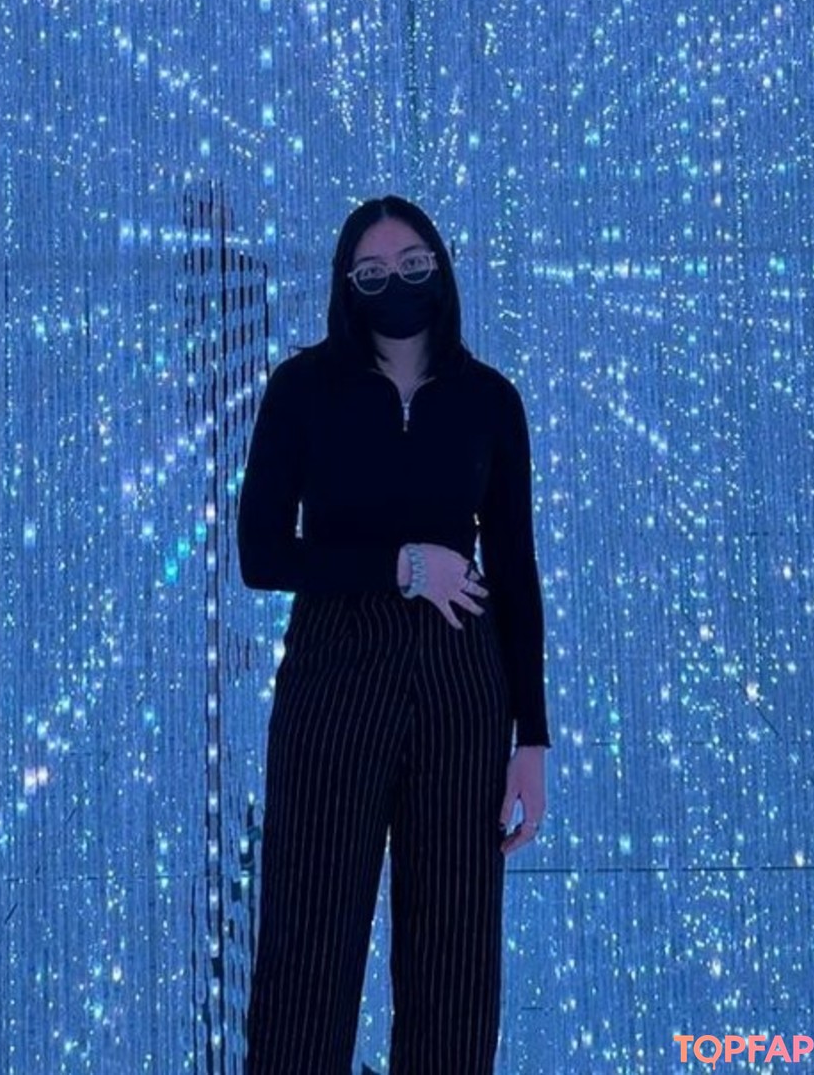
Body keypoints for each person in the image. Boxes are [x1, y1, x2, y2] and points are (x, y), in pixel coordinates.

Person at [237, 194, 550, 1075]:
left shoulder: (489, 400)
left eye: (413, 266)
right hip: (336, 666)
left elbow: (516, 570)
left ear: (441, 271)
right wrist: (400, 566)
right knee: (308, 936)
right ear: (346, 286)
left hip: (462, 675)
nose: (396, 285)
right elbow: (262, 554)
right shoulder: (302, 389)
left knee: (456, 950)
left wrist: (532, 739)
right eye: (372, 273)